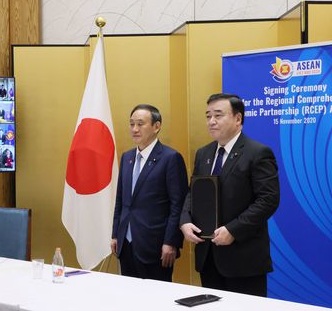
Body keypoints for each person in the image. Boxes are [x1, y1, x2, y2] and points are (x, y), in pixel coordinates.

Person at [180, 93, 280, 297]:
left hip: (243, 258)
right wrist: (184, 221)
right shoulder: (203, 153)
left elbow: (268, 200)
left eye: (218, 115)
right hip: (208, 256)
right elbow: (193, 192)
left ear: (238, 119)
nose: (211, 121)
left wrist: (233, 230)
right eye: (208, 116)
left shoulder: (258, 152)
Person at [111, 104, 188, 282]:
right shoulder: (127, 157)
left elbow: (178, 205)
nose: (135, 129)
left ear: (156, 126)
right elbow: (121, 200)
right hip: (126, 244)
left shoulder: (170, 158)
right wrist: (116, 234)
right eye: (131, 124)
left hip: (156, 245)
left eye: (140, 124)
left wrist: (171, 242)